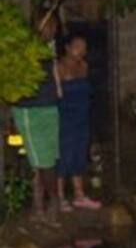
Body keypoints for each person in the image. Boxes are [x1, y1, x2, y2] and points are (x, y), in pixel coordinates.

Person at [12, 13, 64, 221]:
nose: (53, 31)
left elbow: (53, 73)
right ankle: (45, 204)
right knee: (40, 162)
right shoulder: (24, 48)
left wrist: (58, 89)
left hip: (48, 106)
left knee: (46, 159)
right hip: (29, 109)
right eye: (50, 26)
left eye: (55, 27)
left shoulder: (46, 49)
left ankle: (48, 203)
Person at [56, 33, 101, 210]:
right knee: (64, 156)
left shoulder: (84, 66)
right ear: (67, 47)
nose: (80, 51)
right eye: (77, 47)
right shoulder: (59, 67)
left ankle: (79, 194)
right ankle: (59, 197)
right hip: (66, 118)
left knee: (79, 155)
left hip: (82, 118)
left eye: (83, 48)